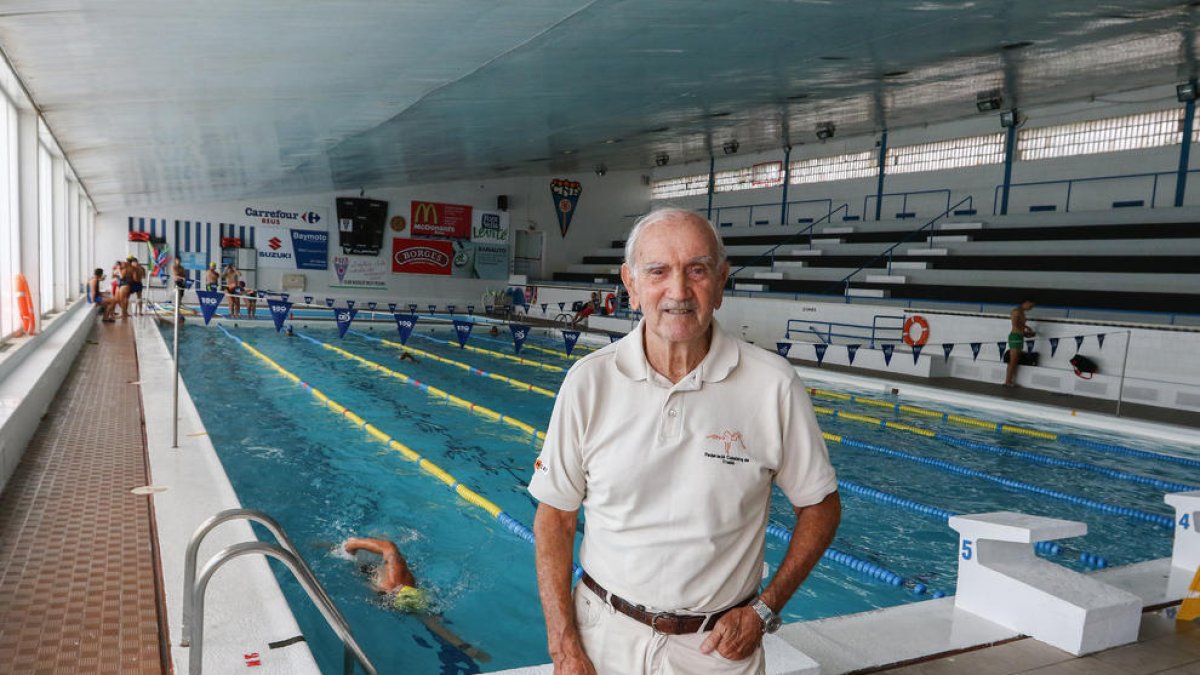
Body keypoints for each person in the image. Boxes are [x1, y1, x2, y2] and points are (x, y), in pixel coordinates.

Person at [529, 208, 840, 675]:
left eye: (696, 270)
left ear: (720, 282)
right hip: (602, 638)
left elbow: (820, 505)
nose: (678, 291)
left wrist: (764, 610)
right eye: (658, 272)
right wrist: (563, 645)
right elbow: (554, 517)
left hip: (718, 650)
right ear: (630, 285)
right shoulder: (589, 383)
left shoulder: (772, 385)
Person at [341, 538, 490, 663]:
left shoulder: (393, 580)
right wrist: (353, 544)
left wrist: (352, 544)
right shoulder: (398, 577)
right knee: (430, 621)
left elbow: (389, 547)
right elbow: (389, 546)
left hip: (384, 592)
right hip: (388, 593)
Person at [1004, 297, 1037, 388]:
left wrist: (1027, 333)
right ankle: (1007, 381)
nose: (1031, 309)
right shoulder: (1016, 311)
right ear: (1026, 302)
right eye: (1030, 306)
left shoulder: (1022, 312)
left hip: (1019, 337)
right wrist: (1026, 332)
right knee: (1013, 361)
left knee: (1014, 361)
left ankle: (1009, 381)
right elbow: (1015, 326)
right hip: (1015, 337)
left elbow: (1020, 326)